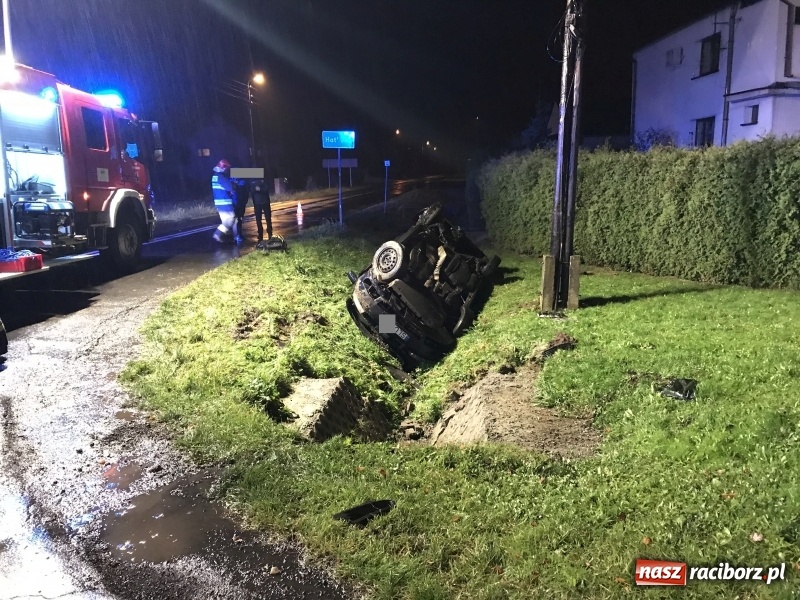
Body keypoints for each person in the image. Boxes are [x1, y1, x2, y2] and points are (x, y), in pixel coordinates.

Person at [211, 159, 235, 243]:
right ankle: (217, 234)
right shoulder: (221, 177)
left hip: (219, 203)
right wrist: (233, 185)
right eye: (227, 168)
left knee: (226, 220)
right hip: (225, 202)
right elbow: (230, 187)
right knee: (230, 219)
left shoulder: (215, 176)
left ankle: (227, 237)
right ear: (223, 168)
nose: (228, 170)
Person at [252, 178, 273, 243]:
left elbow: (267, 188)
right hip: (259, 203)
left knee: (267, 218)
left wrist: (260, 189)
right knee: (260, 219)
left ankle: (268, 231)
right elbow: (252, 191)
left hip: (264, 202)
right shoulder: (254, 182)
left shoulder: (263, 181)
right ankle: (261, 232)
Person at [232, 177, 250, 244]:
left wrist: (244, 202)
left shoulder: (243, 182)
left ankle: (238, 235)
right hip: (236, 204)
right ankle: (236, 236)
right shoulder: (231, 182)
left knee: (239, 220)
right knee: (236, 220)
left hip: (240, 204)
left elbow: (246, 193)